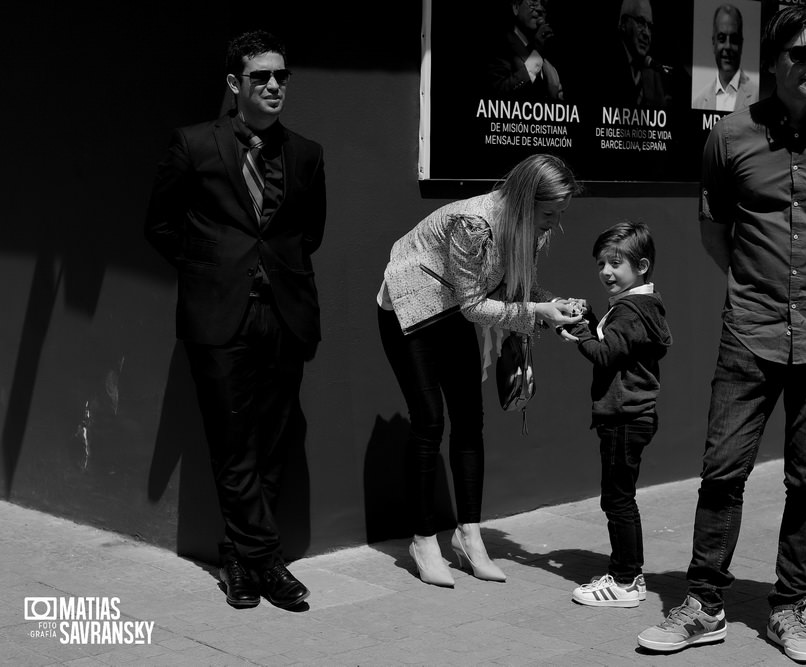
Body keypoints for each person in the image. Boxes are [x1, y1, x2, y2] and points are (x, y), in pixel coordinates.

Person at [638, 6, 806, 663]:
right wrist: (758, 290)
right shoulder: (729, 138)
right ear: (774, 60)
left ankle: (788, 608)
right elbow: (714, 230)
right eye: (804, 55)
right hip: (749, 331)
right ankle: (703, 606)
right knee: (722, 472)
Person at [145, 30, 326, 610]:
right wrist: (212, 270)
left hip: (283, 315)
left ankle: (238, 559)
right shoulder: (193, 144)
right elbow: (161, 225)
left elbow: (308, 234)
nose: (273, 85)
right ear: (234, 84)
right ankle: (268, 564)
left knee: (271, 444)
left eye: (280, 76)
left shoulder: (306, 153)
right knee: (232, 444)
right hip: (218, 318)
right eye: (260, 77)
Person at [377, 154, 583, 588]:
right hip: (411, 304)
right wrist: (536, 311)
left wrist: (553, 307)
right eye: (550, 214)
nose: (554, 224)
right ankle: (424, 540)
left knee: (470, 420)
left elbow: (510, 288)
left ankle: (469, 537)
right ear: (528, 202)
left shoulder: (531, 227)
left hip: (457, 307)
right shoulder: (473, 224)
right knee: (430, 420)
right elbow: (476, 305)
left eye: (561, 214)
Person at [563, 221, 671, 609]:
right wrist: (591, 321)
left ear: (641, 265)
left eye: (615, 262)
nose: (605, 271)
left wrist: (581, 332)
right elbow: (617, 348)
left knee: (618, 500)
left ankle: (626, 579)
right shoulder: (639, 306)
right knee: (620, 497)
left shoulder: (629, 310)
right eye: (600, 264)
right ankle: (627, 573)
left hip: (624, 417)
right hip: (631, 416)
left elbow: (606, 355)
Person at [601, 0, 686, 109]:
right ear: (623, 23)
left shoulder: (653, 74)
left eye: (649, 27)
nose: (646, 33)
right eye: (640, 22)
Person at [487, 0, 565, 101]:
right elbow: (498, 93)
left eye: (543, 4)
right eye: (533, 2)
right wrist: (537, 56)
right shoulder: (500, 46)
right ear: (516, 7)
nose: (540, 9)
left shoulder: (548, 53)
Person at [692, 4, 758, 111]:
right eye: (722, 39)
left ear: (741, 44)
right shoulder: (698, 103)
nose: (728, 46)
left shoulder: (757, 97)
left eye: (734, 39)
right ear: (714, 43)